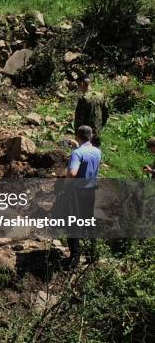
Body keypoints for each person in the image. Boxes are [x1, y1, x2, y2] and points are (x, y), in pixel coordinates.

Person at [66, 125, 102, 268]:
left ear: (77, 136)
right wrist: (77, 147)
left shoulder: (77, 153)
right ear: (91, 136)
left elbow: (73, 173)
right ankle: (93, 255)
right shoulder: (97, 151)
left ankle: (75, 257)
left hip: (77, 192)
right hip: (91, 190)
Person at [74, 74, 108, 147]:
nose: (78, 88)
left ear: (82, 84)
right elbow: (106, 114)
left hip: (85, 134)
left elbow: (79, 119)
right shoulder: (101, 96)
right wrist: (100, 127)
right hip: (97, 132)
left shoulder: (83, 99)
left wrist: (77, 134)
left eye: (78, 85)